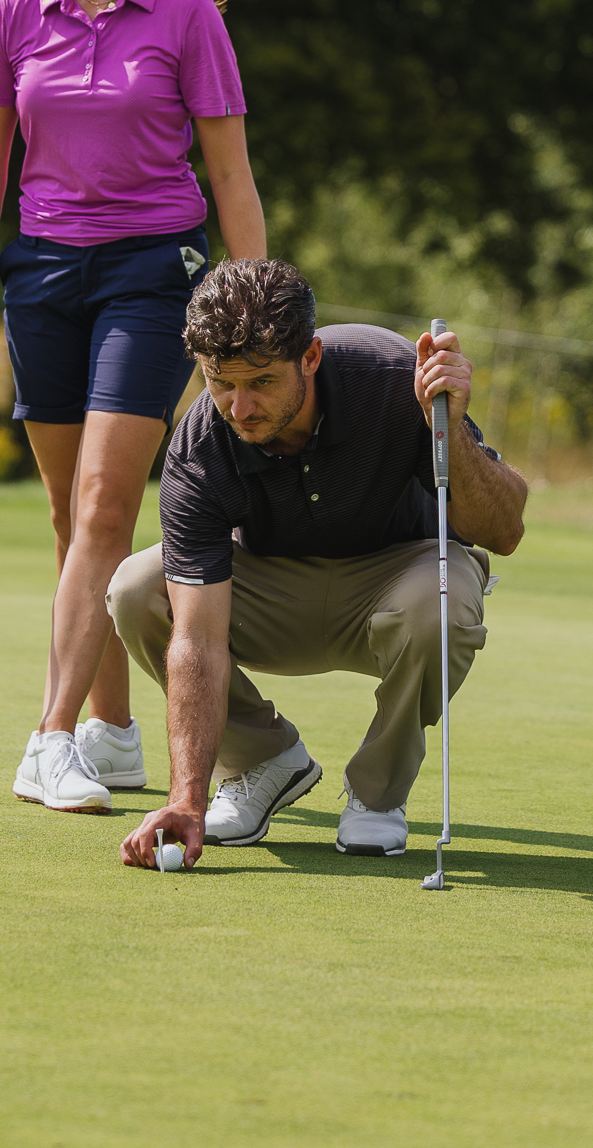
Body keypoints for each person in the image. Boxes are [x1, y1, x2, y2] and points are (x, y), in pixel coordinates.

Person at [0, 0, 267, 815]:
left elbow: (230, 173)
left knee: (102, 506)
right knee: (71, 515)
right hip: (42, 272)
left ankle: (47, 738)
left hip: (151, 271)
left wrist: (259, 305)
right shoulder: (11, 14)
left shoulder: (188, 17)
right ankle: (113, 732)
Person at [106, 260, 529, 867]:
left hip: (399, 579)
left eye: (261, 382)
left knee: (444, 599)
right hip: (271, 593)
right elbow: (197, 639)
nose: (239, 407)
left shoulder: (393, 378)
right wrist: (187, 799)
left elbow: (505, 530)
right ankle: (261, 762)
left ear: (309, 357)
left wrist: (451, 428)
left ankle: (377, 795)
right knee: (137, 589)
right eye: (221, 382)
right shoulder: (201, 444)